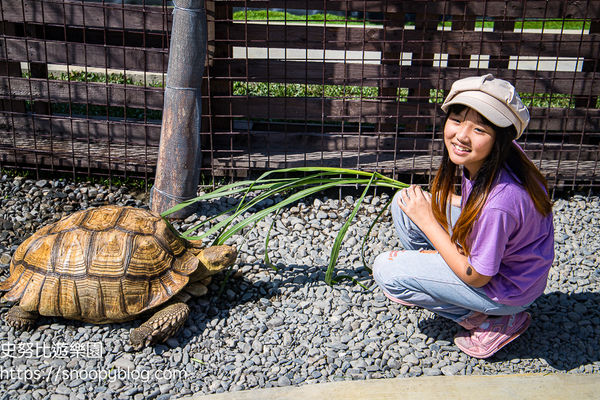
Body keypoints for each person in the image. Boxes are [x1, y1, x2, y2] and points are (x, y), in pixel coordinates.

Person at [373, 74, 554, 359]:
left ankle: (491, 320)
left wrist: (430, 223)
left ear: (499, 139)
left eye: (480, 129)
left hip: (504, 291)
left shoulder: (500, 202)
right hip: (504, 265)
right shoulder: (502, 159)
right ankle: (440, 278)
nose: (461, 135)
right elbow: (476, 204)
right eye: (457, 120)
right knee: (404, 202)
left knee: (386, 269)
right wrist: (434, 207)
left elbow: (478, 276)